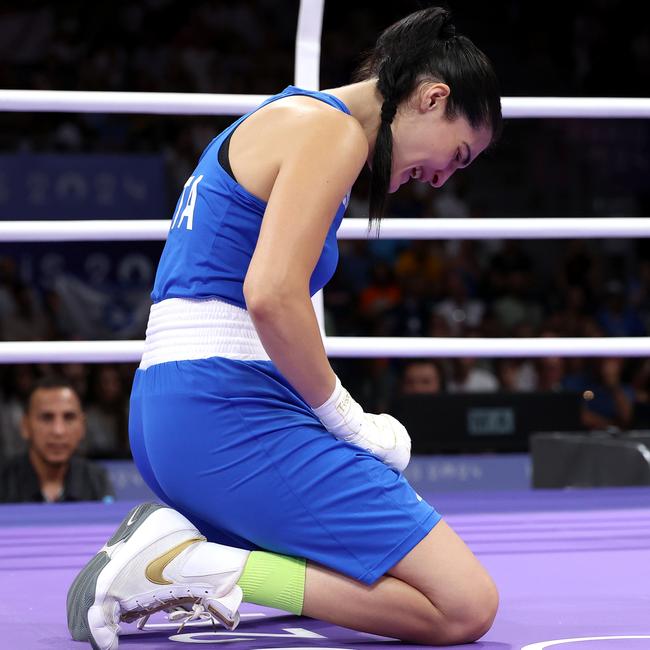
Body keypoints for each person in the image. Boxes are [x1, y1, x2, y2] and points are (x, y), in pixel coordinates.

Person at [67, 7, 502, 648]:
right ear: (433, 98)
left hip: (175, 417)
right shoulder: (331, 131)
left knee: (358, 582)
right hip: (222, 413)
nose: (442, 178)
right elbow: (270, 295)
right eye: (458, 155)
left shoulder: (290, 119)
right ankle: (188, 565)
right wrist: (350, 422)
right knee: (465, 607)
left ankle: (188, 556)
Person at [0, 376, 114, 503]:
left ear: (82, 426)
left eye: (69, 417)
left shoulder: (96, 481)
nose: (58, 431)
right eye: (46, 418)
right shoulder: (4, 483)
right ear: (25, 426)